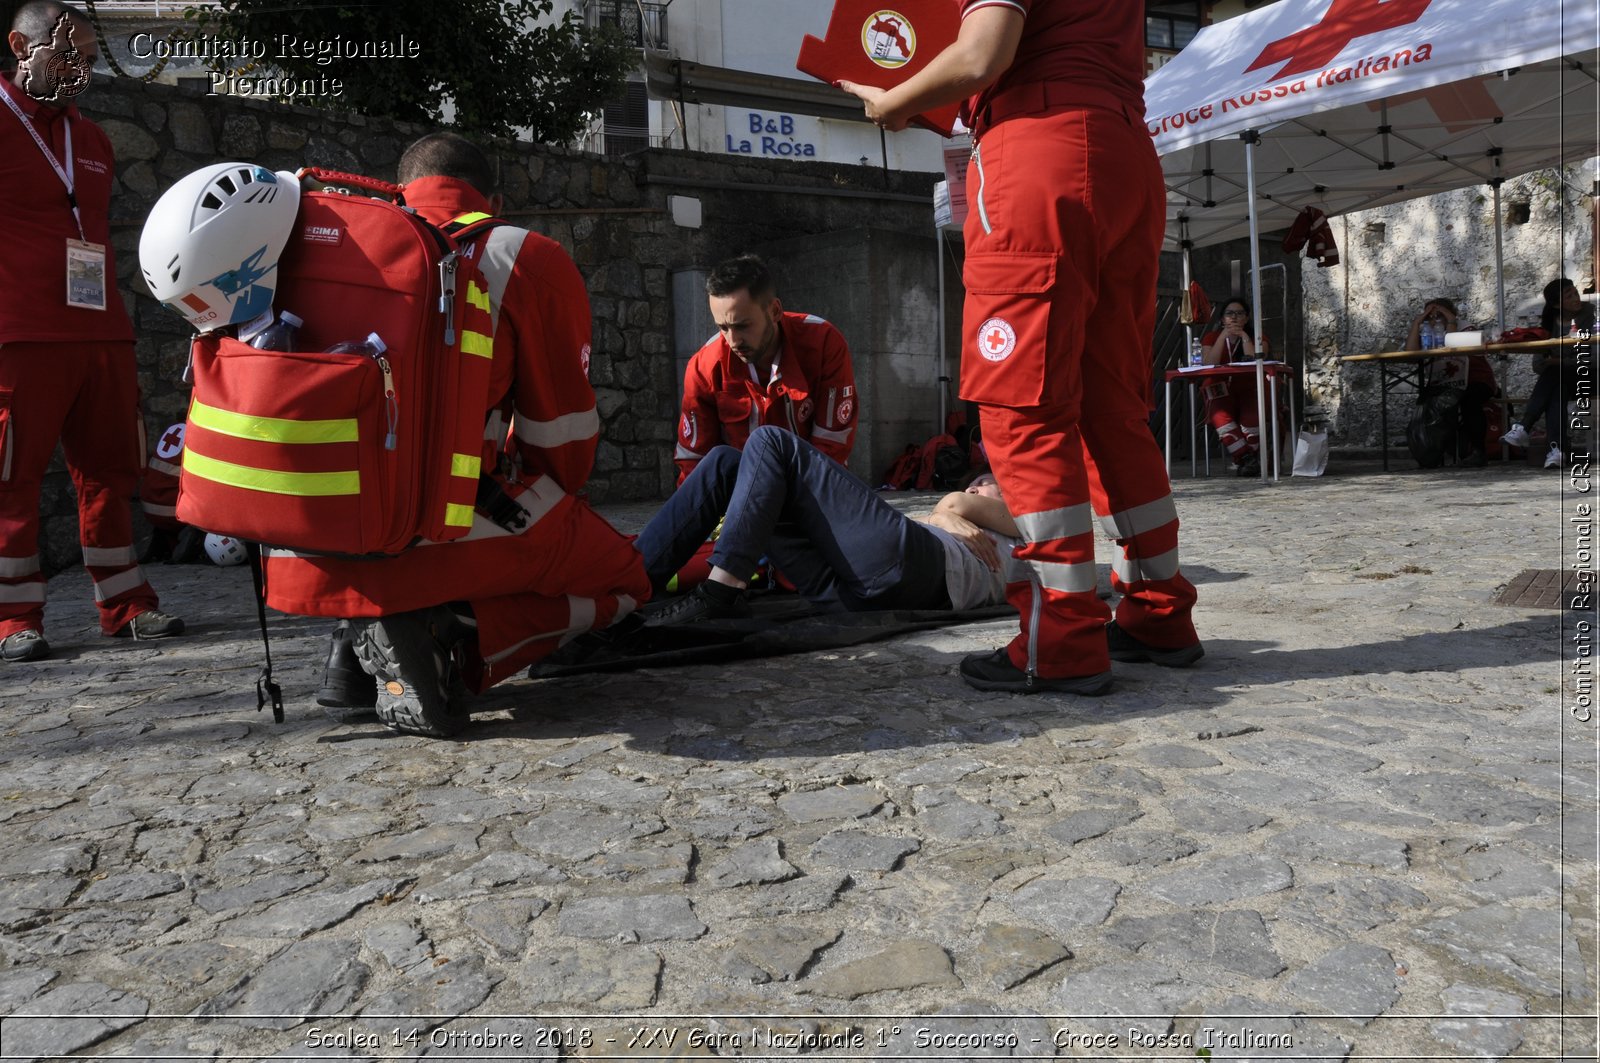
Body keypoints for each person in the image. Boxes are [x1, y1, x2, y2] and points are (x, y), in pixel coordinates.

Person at [840, 2, 1202, 695]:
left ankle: (1060, 637)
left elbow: (984, 54)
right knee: (1110, 410)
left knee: (1023, 405)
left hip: (1038, 155)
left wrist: (893, 101)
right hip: (1125, 148)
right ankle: (1159, 610)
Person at [270, 132, 649, 734]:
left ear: (401, 188)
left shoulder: (320, 243)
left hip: (298, 541)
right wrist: (551, 508)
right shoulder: (525, 256)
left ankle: (350, 650)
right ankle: (445, 636)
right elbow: (560, 436)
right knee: (625, 578)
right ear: (492, 198)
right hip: (434, 520)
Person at [0, 1, 184, 663]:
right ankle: (13, 616)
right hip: (17, 335)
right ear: (20, 45)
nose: (79, 68)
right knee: (10, 480)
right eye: (65, 52)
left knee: (111, 470)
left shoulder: (95, 139)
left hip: (101, 332)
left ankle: (127, 602)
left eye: (87, 55)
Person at [635, 425, 1018, 625]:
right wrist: (940, 516)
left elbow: (953, 500)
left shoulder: (1027, 526)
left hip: (917, 567)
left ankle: (721, 591)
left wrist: (944, 512)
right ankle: (626, 587)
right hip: (856, 596)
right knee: (725, 463)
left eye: (987, 482)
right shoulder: (966, 525)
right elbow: (947, 507)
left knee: (771, 441)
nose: (977, 483)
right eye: (977, 479)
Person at [674, 254, 857, 484]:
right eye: (723, 327)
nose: (733, 340)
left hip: (814, 489)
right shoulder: (704, 366)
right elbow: (694, 462)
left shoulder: (823, 344)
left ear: (775, 312)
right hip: (741, 494)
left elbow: (832, 447)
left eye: (742, 326)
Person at [1502, 277, 1595, 469]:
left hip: (1589, 377)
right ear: (1556, 304)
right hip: (1563, 381)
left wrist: (1556, 361)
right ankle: (1557, 450)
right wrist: (1556, 363)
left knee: (1554, 372)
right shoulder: (1549, 324)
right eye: (1568, 296)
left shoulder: (1588, 314)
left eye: (1575, 293)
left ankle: (1525, 427)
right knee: (1557, 387)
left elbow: (1589, 359)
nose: (1576, 298)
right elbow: (1538, 364)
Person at [1403, 297, 1492, 468]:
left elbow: (1451, 348)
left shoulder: (1466, 329)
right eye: (1430, 314)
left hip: (1476, 380)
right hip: (1445, 384)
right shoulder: (1428, 331)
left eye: (1439, 313)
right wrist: (1417, 323)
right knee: (1428, 404)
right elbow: (1411, 353)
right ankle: (1431, 453)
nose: (1435, 317)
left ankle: (1479, 452)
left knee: (1469, 401)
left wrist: (1450, 321)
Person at [1199, 298, 1266, 477]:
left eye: (1239, 313)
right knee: (1220, 415)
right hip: (1219, 386)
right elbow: (1208, 363)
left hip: (1248, 386)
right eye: (1229, 314)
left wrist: (1244, 336)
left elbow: (1255, 361)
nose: (1234, 318)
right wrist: (1223, 336)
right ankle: (1245, 458)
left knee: (1252, 419)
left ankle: (1246, 460)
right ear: (1222, 319)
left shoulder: (1257, 337)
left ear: (1246, 318)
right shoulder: (1211, 338)